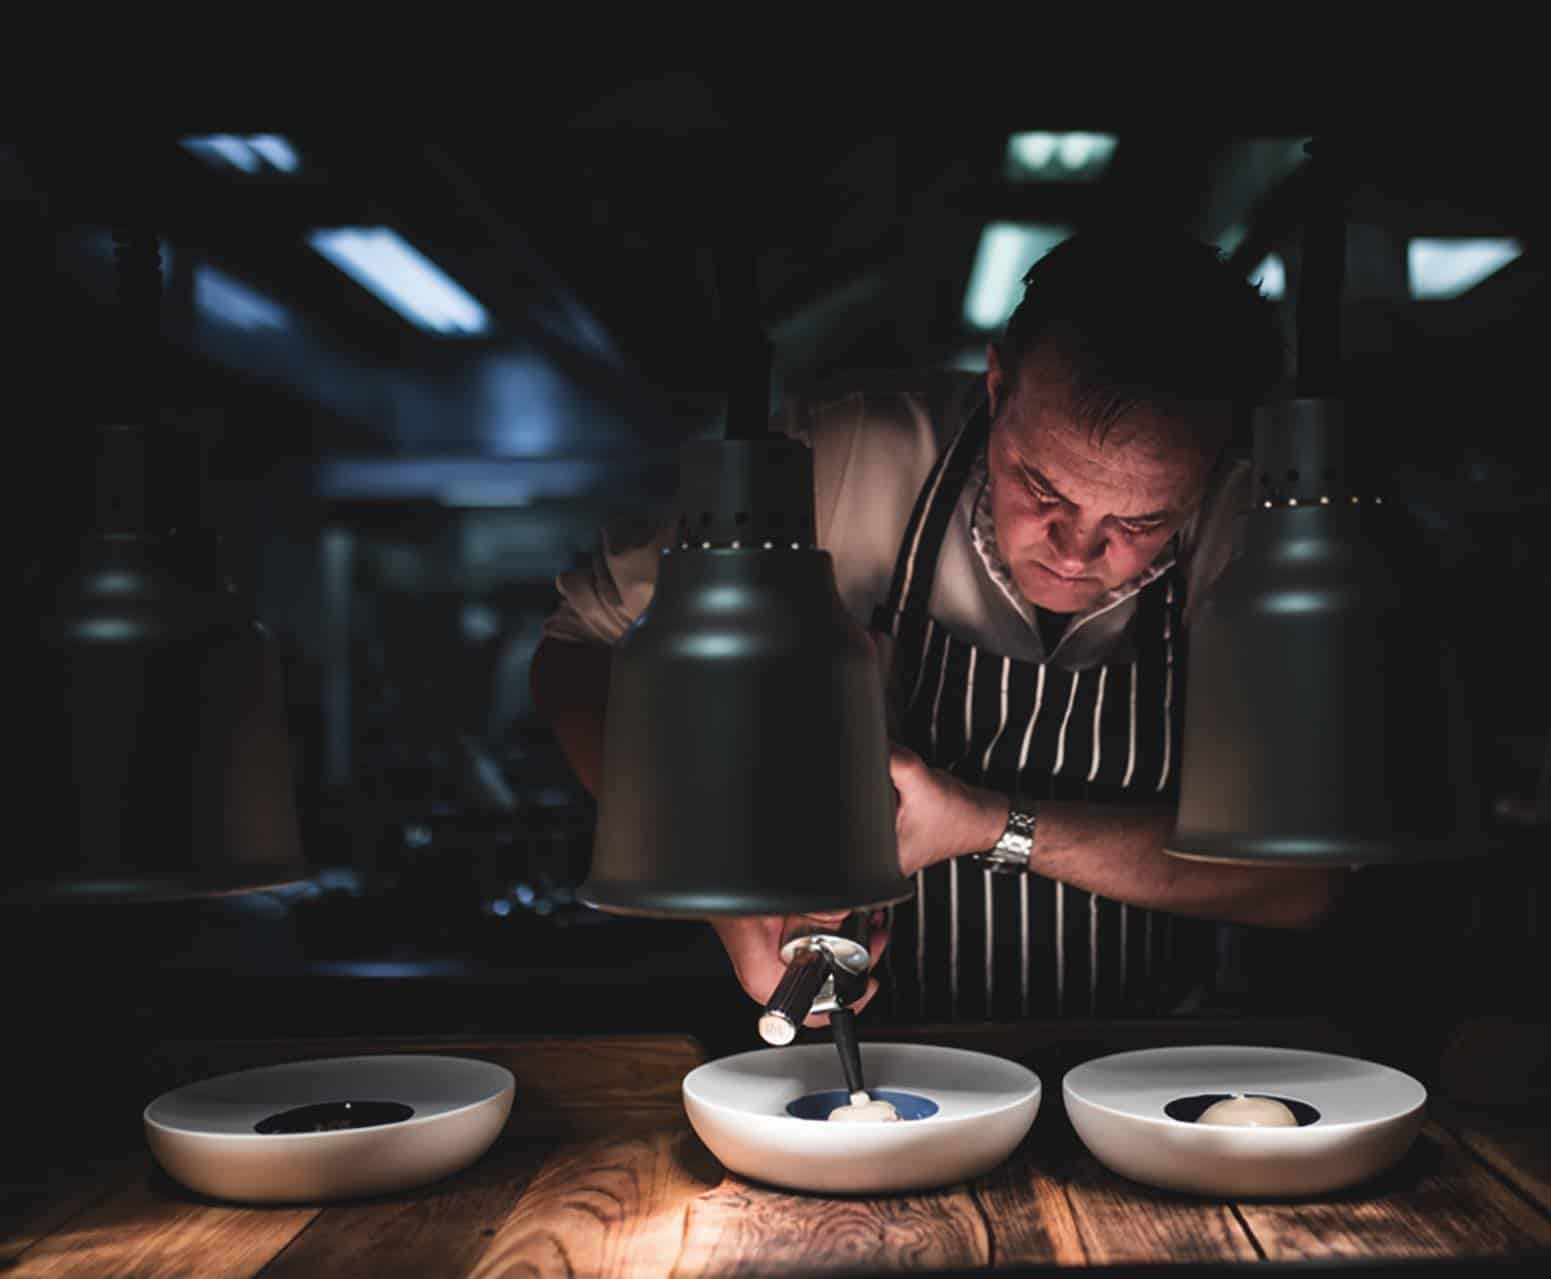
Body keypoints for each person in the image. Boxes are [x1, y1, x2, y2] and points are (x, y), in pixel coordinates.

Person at [530, 227, 1346, 1027]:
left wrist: (992, 825)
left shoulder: (1264, 528)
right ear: (996, 386)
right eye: (1043, 487)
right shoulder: (846, 457)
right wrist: (723, 886)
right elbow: (580, 644)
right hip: (878, 1058)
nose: (1076, 550)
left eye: (1142, 520)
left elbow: (1304, 880)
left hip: (1145, 1071)